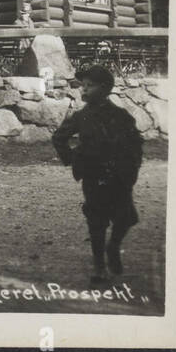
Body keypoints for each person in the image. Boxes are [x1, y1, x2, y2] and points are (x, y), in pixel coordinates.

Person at [51, 65, 144, 284]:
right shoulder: (81, 117)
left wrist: (131, 170)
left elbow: (135, 144)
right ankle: (99, 265)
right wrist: (74, 159)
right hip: (93, 175)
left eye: (89, 86)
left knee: (125, 218)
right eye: (82, 86)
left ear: (104, 88)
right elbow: (58, 137)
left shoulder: (121, 117)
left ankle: (113, 247)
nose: (82, 91)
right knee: (96, 221)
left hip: (119, 176)